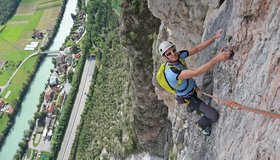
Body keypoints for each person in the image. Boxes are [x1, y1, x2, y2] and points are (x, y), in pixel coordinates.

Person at [158, 31, 230, 136]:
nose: (173, 54)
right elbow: (196, 73)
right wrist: (217, 59)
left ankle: (191, 108)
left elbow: (196, 49)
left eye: (173, 50)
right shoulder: (171, 73)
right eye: (169, 53)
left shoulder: (178, 57)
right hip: (189, 97)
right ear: (165, 57)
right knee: (213, 116)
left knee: (194, 101)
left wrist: (214, 37)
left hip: (191, 88)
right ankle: (200, 125)